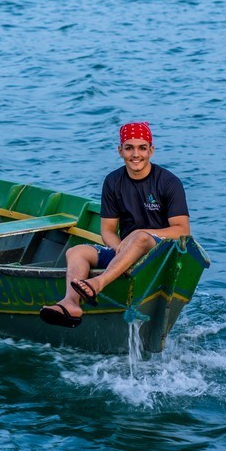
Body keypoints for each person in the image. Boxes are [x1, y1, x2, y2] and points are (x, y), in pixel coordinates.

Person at [40, 122, 190, 328]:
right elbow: (108, 231)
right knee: (76, 252)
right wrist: (120, 248)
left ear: (151, 150)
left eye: (142, 148)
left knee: (140, 237)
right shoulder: (113, 181)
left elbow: (182, 230)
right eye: (129, 148)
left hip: (158, 253)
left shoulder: (168, 182)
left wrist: (138, 235)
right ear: (120, 151)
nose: (135, 154)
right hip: (125, 251)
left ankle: (98, 283)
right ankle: (71, 302)